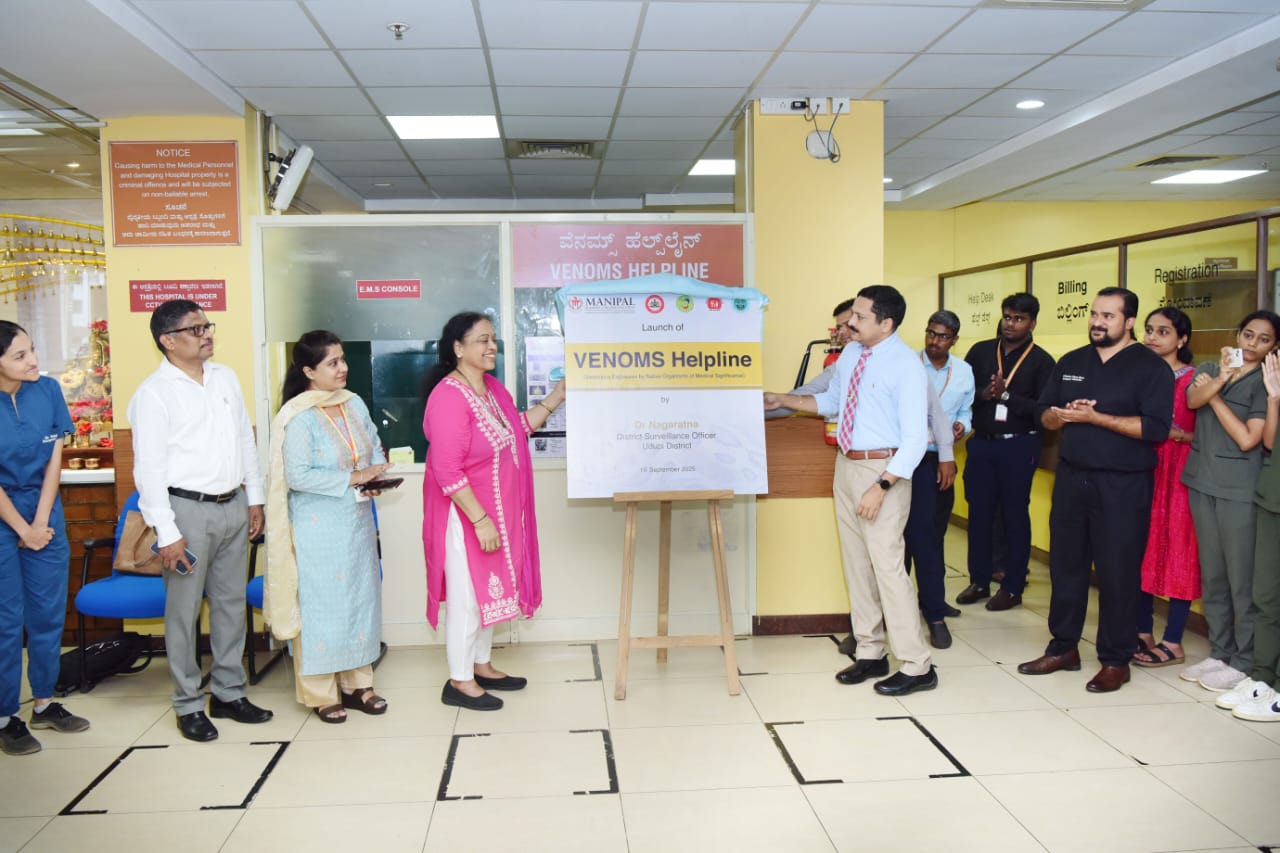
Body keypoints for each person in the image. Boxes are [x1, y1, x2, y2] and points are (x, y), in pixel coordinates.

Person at [764, 285, 937, 697]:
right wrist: (782, 399)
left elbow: (916, 439)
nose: (850, 323)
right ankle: (871, 651)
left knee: (888, 568)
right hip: (846, 465)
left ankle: (918, 665)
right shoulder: (853, 354)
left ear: (886, 323)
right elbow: (832, 402)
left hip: (883, 471)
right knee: (857, 565)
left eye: (860, 317)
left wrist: (882, 485)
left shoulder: (906, 366)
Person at [128, 300, 272, 742]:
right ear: (168, 341)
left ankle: (228, 693)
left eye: (207, 326)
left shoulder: (225, 377)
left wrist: (255, 498)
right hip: (185, 512)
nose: (206, 334)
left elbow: (245, 441)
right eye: (195, 329)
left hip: (233, 505)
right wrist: (167, 533)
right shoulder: (154, 394)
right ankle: (188, 703)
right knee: (183, 612)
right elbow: (148, 471)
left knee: (230, 603)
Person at [1019, 288, 1173, 693]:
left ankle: (1115, 659)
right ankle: (1063, 647)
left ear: (1129, 321)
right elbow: (1044, 414)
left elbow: (1155, 429)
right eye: (1094, 314)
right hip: (1073, 478)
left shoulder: (1150, 367)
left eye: (1108, 316)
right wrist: (1058, 416)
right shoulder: (1072, 361)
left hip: (1123, 484)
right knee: (1065, 566)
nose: (1097, 322)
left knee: (1117, 572)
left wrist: (1096, 417)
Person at [422, 312, 565, 711]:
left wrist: (557, 396)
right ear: (457, 348)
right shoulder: (449, 397)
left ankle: (481, 665)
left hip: (497, 514)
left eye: (493, 339)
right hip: (466, 515)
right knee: (468, 598)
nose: (492, 347)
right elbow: (446, 469)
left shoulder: (492, 391)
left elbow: (516, 430)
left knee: (491, 591)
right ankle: (459, 680)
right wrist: (480, 520)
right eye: (482, 340)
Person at [266, 331, 391, 723]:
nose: (343, 368)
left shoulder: (352, 403)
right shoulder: (298, 415)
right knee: (321, 606)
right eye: (332, 362)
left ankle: (358, 684)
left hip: (356, 522)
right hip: (316, 528)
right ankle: (320, 692)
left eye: (343, 359)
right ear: (308, 371)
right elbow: (298, 475)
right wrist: (355, 477)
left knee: (360, 601)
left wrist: (374, 477)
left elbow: (373, 447)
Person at [1178, 310, 1280, 694]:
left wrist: (1216, 395)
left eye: (1264, 339)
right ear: (1238, 335)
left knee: (1242, 581)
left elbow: (1249, 439)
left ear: (1274, 347)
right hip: (1202, 483)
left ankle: (1245, 660)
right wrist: (1220, 378)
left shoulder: (1264, 384)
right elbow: (1192, 400)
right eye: (1248, 334)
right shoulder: (1210, 367)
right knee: (1213, 575)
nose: (1252, 344)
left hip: (1240, 491)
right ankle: (1220, 652)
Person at [0, 321, 90, 756]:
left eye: (32, 350)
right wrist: (22, 529)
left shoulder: (49, 390)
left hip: (44, 510)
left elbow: (55, 459)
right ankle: (5, 717)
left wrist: (39, 522)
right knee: (6, 619)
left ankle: (44, 702)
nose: (33, 360)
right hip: (3, 515)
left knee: (48, 615)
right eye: (20, 355)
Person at [958, 293, 1055, 611]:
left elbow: (1044, 411)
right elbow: (963, 394)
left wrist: (1007, 395)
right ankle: (979, 580)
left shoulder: (1042, 361)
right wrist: (984, 394)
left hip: (1019, 444)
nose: (1011, 324)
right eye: (1007, 317)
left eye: (1019, 319)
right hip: (983, 443)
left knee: (1014, 515)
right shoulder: (981, 351)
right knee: (979, 514)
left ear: (1032, 323)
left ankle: (1012, 587)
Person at [904, 310, 974, 649]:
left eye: (943, 336)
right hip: (907, 461)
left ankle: (934, 606)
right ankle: (900, 610)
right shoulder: (908, 364)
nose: (934, 341)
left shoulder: (964, 372)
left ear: (954, 340)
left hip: (939, 462)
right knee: (903, 539)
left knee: (933, 537)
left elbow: (966, 411)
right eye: (931, 333)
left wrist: (963, 426)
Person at [1133, 308, 1199, 668]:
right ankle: (1143, 631)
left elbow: (1209, 433)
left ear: (1182, 339)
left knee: (1180, 552)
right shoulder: (1142, 374)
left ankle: (1173, 640)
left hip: (1181, 473)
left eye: (1163, 331)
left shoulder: (1195, 379)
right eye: (1149, 330)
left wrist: (1178, 436)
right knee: (1141, 547)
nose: (1152, 337)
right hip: (1146, 469)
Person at [1229, 351, 1280, 721]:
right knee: (1266, 597)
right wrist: (1274, 397)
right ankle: (1264, 677)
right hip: (1272, 497)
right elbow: (1270, 442)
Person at [765, 298, 854, 420]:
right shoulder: (842, 364)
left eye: (848, 324)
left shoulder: (879, 361)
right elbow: (810, 393)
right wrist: (774, 402)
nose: (842, 332)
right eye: (839, 327)